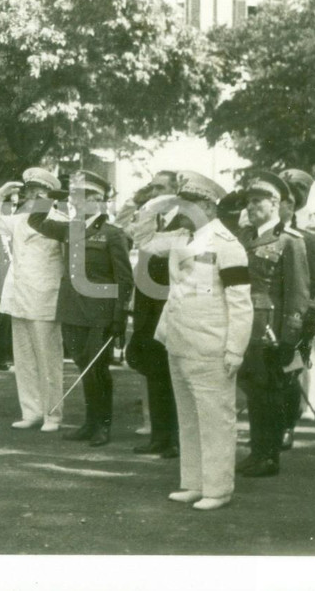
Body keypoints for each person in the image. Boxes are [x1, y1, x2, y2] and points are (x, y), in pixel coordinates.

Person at [132, 171, 253, 510]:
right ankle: (194, 482)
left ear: (210, 207)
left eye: (192, 203)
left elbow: (240, 302)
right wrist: (153, 204)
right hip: (179, 339)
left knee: (215, 417)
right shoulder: (180, 237)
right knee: (188, 416)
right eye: (183, 202)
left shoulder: (226, 244)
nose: (185, 209)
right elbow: (142, 240)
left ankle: (218, 488)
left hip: (211, 343)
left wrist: (235, 348)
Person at [28, 170, 133, 446]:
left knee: (97, 369)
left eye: (84, 197)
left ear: (99, 201)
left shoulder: (113, 234)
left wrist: (119, 316)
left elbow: (124, 278)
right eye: (76, 196)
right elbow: (36, 220)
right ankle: (90, 422)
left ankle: (103, 426)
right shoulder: (71, 228)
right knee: (83, 365)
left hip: (100, 313)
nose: (77, 202)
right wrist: (49, 196)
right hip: (73, 309)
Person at [236, 172, 310, 478]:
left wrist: (290, 339)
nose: (251, 207)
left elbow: (298, 295)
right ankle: (257, 451)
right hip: (244, 324)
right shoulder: (244, 238)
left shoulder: (290, 242)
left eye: (258, 201)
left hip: (271, 329)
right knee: (253, 389)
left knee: (270, 391)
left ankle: (269, 457)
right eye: (249, 202)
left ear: (275, 203)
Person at [0, 167, 66, 432]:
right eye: (30, 190)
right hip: (19, 296)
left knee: (48, 360)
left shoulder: (61, 220)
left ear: (50, 195)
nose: (32, 195)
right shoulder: (19, 219)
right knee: (25, 360)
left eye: (38, 191)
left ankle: (53, 415)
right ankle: (31, 411)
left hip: (45, 298)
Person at [116, 171, 181, 457]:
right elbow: (120, 227)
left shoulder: (186, 222)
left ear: (176, 191)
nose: (155, 194)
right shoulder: (148, 219)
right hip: (146, 305)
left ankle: (177, 439)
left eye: (161, 188)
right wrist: (137, 200)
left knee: (174, 375)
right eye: (152, 188)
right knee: (154, 372)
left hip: (170, 306)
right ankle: (160, 436)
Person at [276, 168, 315, 450]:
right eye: (287, 189)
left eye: (297, 189)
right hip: (271, 309)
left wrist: (314, 309)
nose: (292, 194)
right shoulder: (266, 228)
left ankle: (288, 424)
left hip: (296, 310)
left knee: (292, 370)